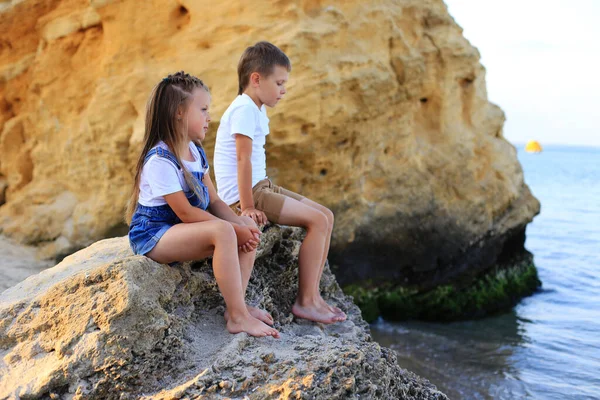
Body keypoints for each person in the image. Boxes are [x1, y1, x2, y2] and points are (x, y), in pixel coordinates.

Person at [126, 71, 279, 338]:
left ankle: (236, 307)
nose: (210, 117)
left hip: (185, 229)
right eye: (204, 109)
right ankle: (238, 317)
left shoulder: (195, 151)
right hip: (155, 234)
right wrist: (229, 228)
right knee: (224, 231)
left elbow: (216, 200)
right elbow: (184, 212)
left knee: (247, 225)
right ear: (179, 113)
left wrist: (241, 224)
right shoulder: (160, 159)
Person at [214, 42, 346, 324]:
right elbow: (242, 159)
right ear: (256, 79)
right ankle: (306, 302)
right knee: (318, 222)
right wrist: (247, 207)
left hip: (263, 185)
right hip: (247, 194)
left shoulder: (257, 108)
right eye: (280, 82)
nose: (284, 90)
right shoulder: (243, 109)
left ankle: (315, 296)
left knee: (326, 215)